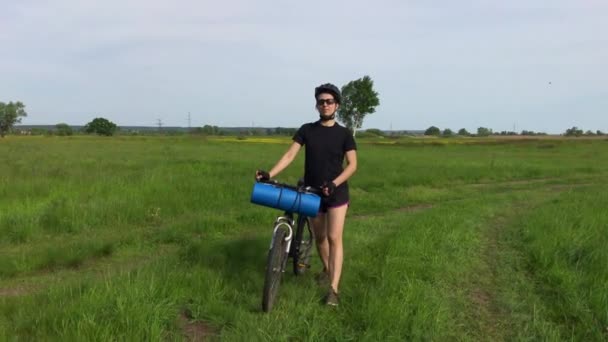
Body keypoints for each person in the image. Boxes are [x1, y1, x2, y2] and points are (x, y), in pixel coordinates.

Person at [255, 83, 357, 306]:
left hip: (337, 192)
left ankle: (333, 289)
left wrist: (335, 182)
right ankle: (328, 270)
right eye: (321, 101)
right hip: (312, 192)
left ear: (337, 105)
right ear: (316, 105)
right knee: (320, 238)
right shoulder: (306, 130)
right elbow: (290, 155)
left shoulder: (344, 134)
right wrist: (268, 173)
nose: (325, 105)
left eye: (329, 101)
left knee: (334, 237)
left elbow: (352, 165)